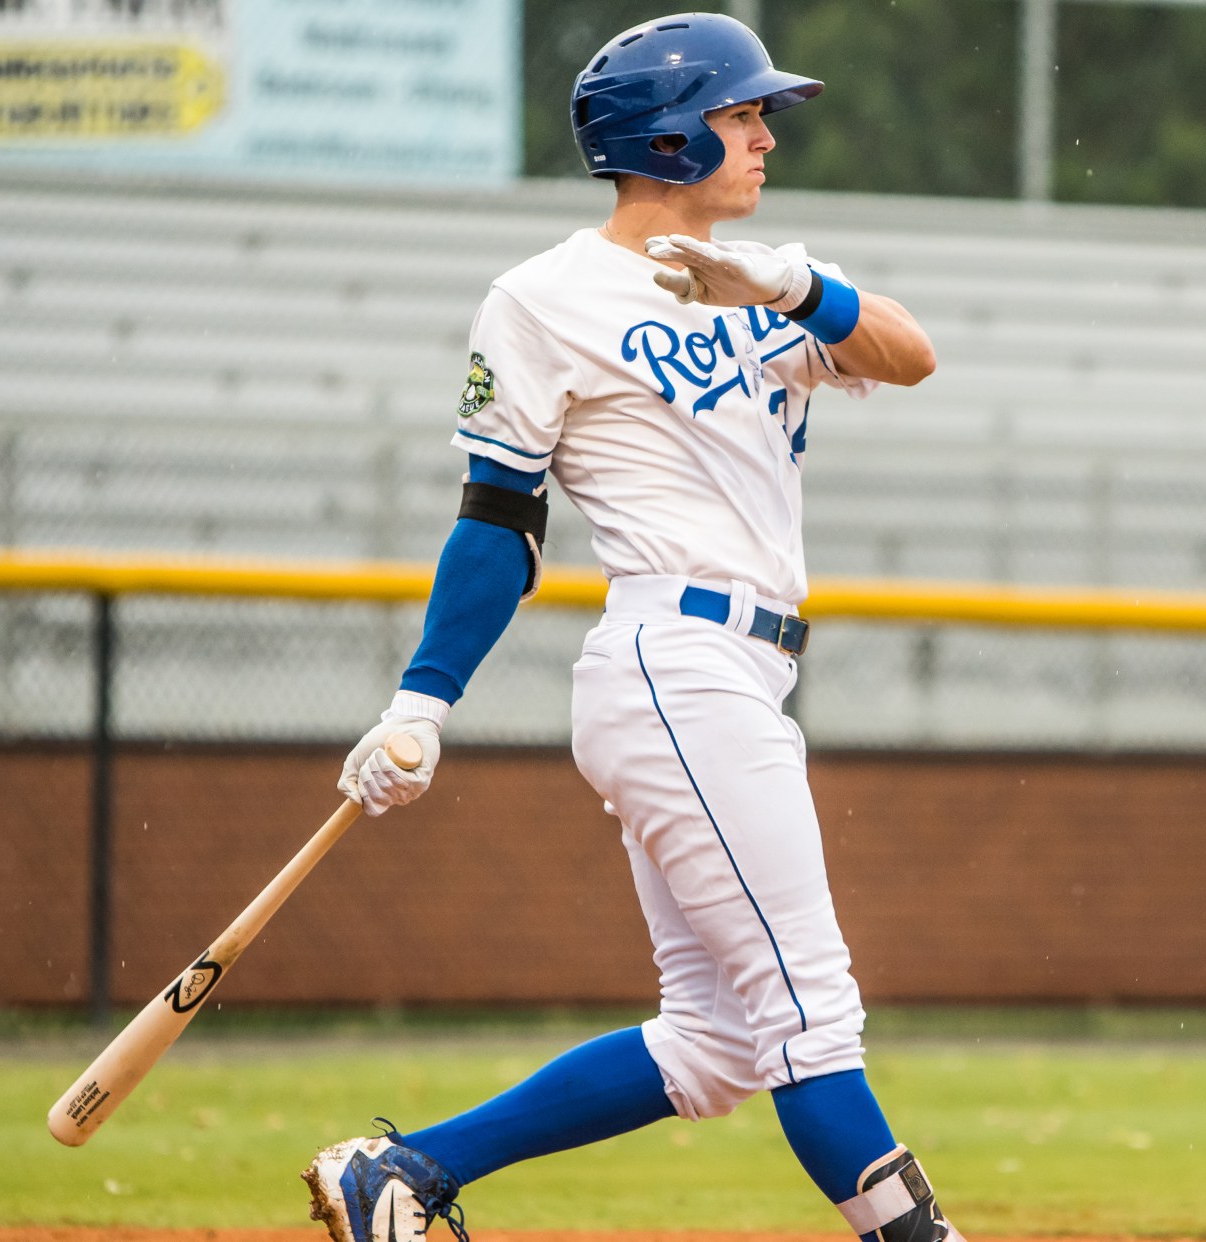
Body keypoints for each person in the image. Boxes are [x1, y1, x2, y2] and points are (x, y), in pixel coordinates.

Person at [299, 13, 952, 1242]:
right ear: (667, 136)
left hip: (735, 676)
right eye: (740, 115)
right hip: (676, 662)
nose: (765, 137)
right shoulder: (544, 299)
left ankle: (406, 1172)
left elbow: (912, 356)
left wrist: (789, 285)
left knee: (717, 1044)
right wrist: (422, 701)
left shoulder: (768, 281)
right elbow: (498, 518)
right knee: (812, 1016)